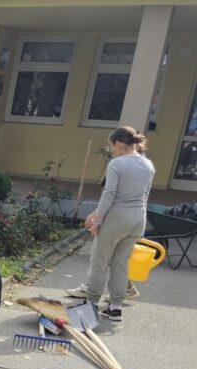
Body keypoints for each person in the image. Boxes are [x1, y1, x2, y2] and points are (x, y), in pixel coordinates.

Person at [66, 126, 155, 322]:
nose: (111, 151)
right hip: (138, 219)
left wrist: (97, 219)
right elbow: (145, 196)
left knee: (99, 262)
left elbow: (109, 194)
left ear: (118, 144)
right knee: (121, 264)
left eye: (111, 147)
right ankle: (115, 308)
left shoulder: (117, 164)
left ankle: (90, 305)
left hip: (116, 218)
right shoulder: (148, 165)